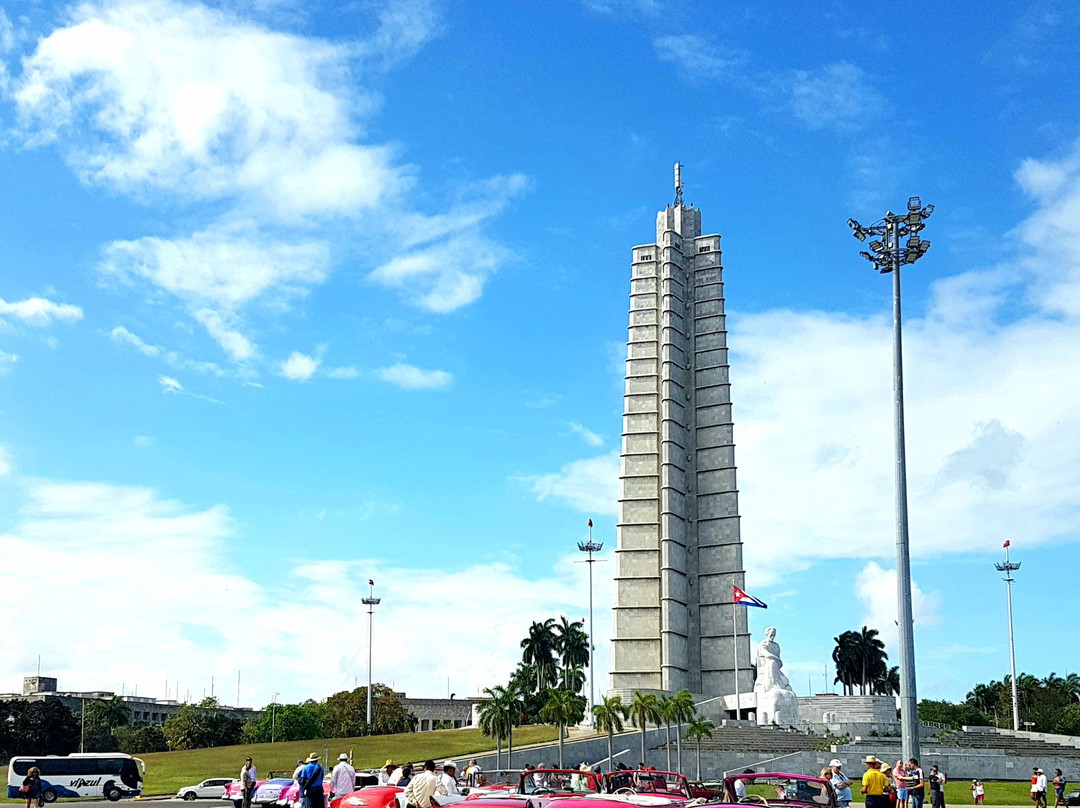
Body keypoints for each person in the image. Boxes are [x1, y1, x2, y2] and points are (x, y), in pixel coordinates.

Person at [754, 627, 792, 691]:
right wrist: (778, 660)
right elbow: (767, 654)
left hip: (776, 669)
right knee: (772, 662)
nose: (772, 637)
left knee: (786, 685)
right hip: (766, 668)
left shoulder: (776, 646)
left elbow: (778, 658)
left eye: (774, 635)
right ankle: (771, 683)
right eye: (771, 635)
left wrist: (778, 661)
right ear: (767, 634)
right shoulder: (763, 644)